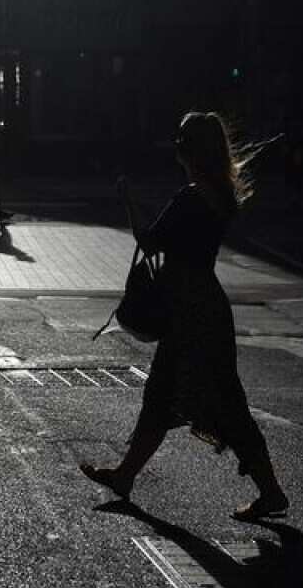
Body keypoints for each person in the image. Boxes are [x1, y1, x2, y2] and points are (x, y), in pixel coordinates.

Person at [80, 112, 289, 522]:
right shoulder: (219, 194)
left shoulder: (191, 196)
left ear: (193, 149)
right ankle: (125, 474)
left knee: (217, 402)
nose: (175, 148)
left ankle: (271, 491)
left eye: (180, 141)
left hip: (186, 310)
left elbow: (150, 241)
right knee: (189, 396)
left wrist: (128, 201)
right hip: (205, 305)